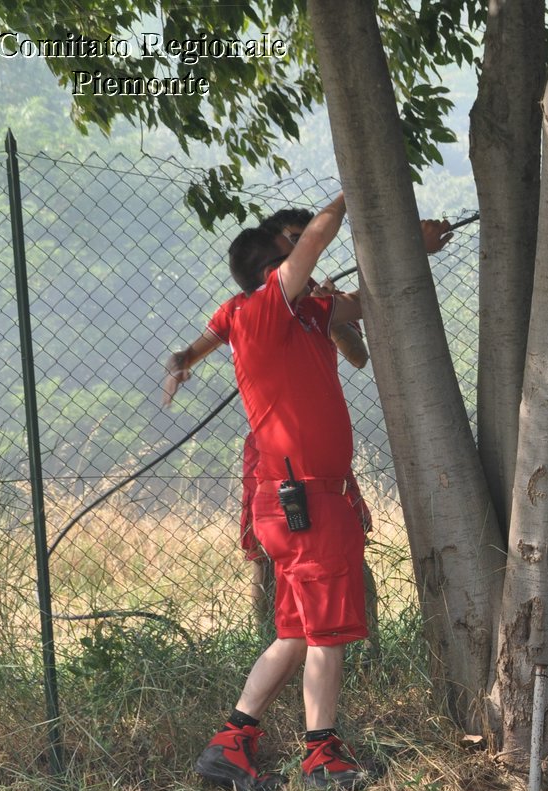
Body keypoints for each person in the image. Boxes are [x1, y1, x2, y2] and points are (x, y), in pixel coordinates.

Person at [162, 209, 451, 630]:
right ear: (274, 258)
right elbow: (189, 351)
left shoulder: (311, 302)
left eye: (302, 242)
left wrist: (331, 302)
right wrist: (179, 365)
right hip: (277, 459)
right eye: (293, 242)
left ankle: (352, 639)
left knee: (345, 540)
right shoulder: (249, 309)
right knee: (266, 553)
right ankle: (277, 634)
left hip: (321, 460)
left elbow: (358, 348)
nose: (302, 250)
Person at [190, 191, 378, 791]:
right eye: (293, 247)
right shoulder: (263, 310)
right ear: (273, 268)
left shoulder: (301, 315)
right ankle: (323, 758)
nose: (307, 255)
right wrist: (354, 190)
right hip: (307, 502)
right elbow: (318, 241)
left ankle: (231, 744)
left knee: (295, 635)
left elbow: (364, 310)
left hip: (303, 500)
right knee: (326, 635)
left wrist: (412, 249)